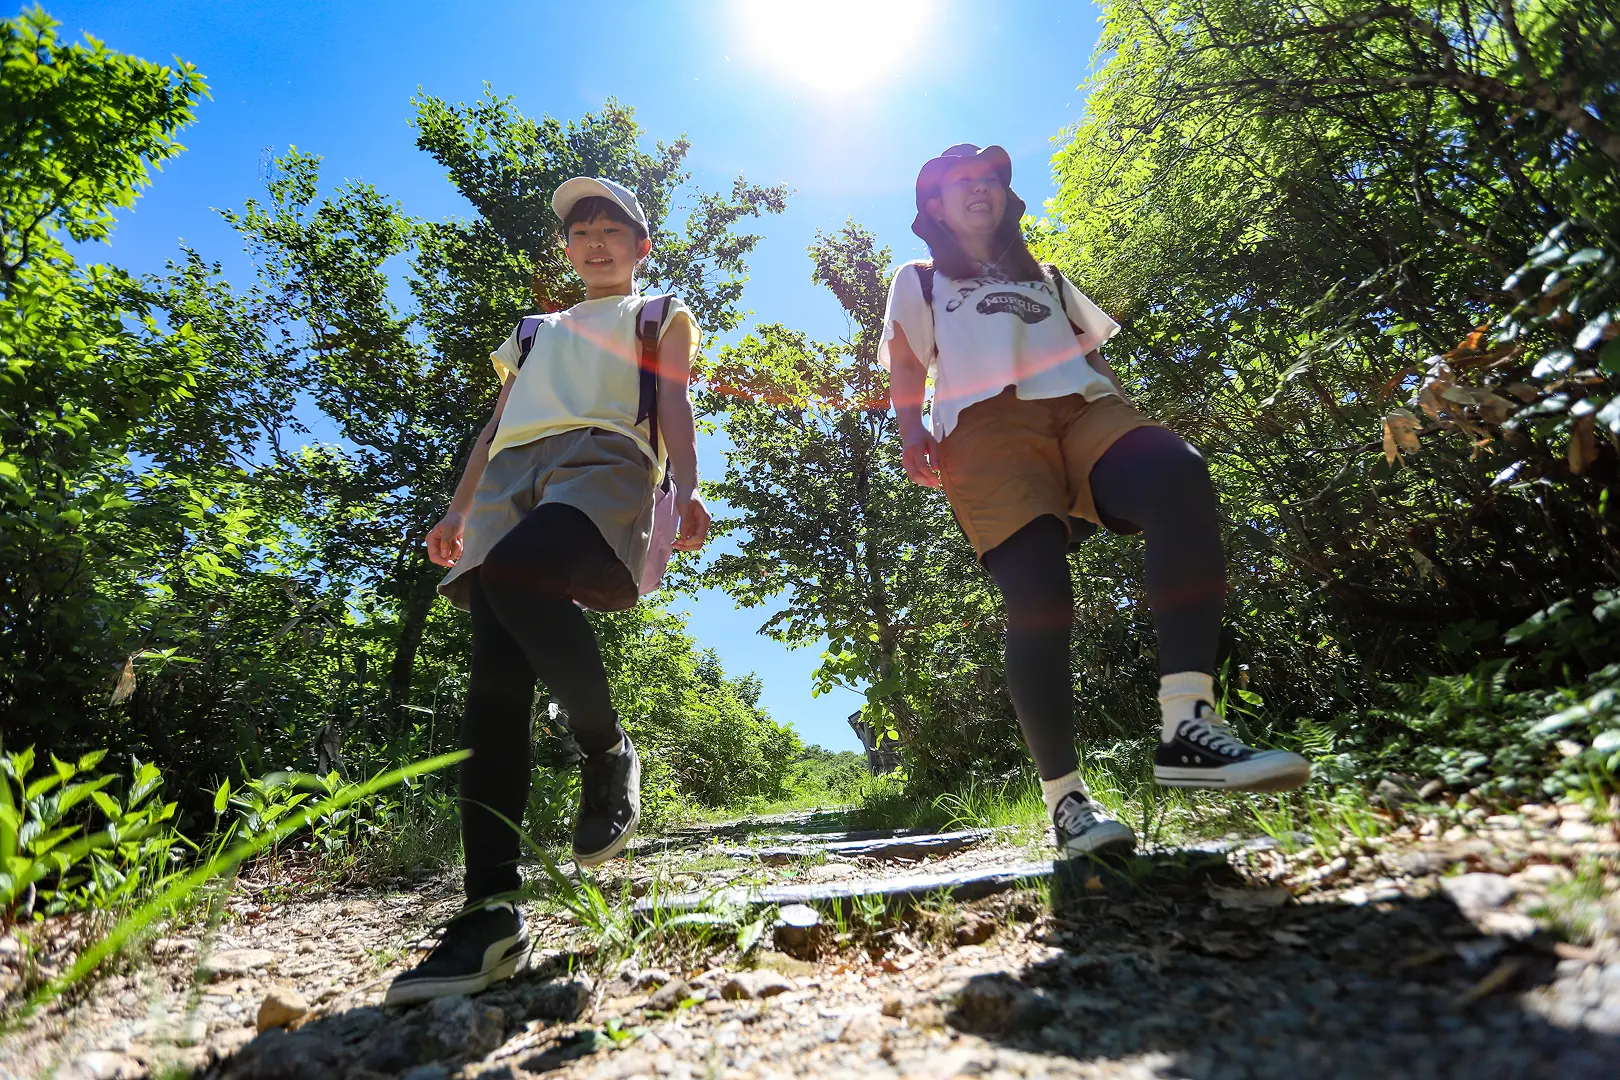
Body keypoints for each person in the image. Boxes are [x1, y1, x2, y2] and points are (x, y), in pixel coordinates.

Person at [880, 144, 1308, 860]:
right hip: (986, 428)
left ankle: (1188, 725)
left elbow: (1093, 356)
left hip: (1083, 411)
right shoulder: (921, 279)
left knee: (1178, 473)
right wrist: (910, 429)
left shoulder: (1046, 276)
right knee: (1041, 592)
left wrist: (1125, 420)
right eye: (961, 182)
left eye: (990, 178)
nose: (980, 188)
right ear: (934, 206)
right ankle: (1068, 800)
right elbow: (904, 358)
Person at [387, 176, 709, 1003]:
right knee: (491, 687)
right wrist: (459, 509)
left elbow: (671, 400)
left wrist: (690, 486)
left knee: (519, 576)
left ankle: (605, 749)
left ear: (641, 248)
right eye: (580, 231)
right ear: (565, 250)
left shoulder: (656, 314)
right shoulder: (534, 332)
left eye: (613, 230)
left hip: (604, 456)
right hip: (508, 480)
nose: (595, 241)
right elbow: (493, 427)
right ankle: (488, 915)